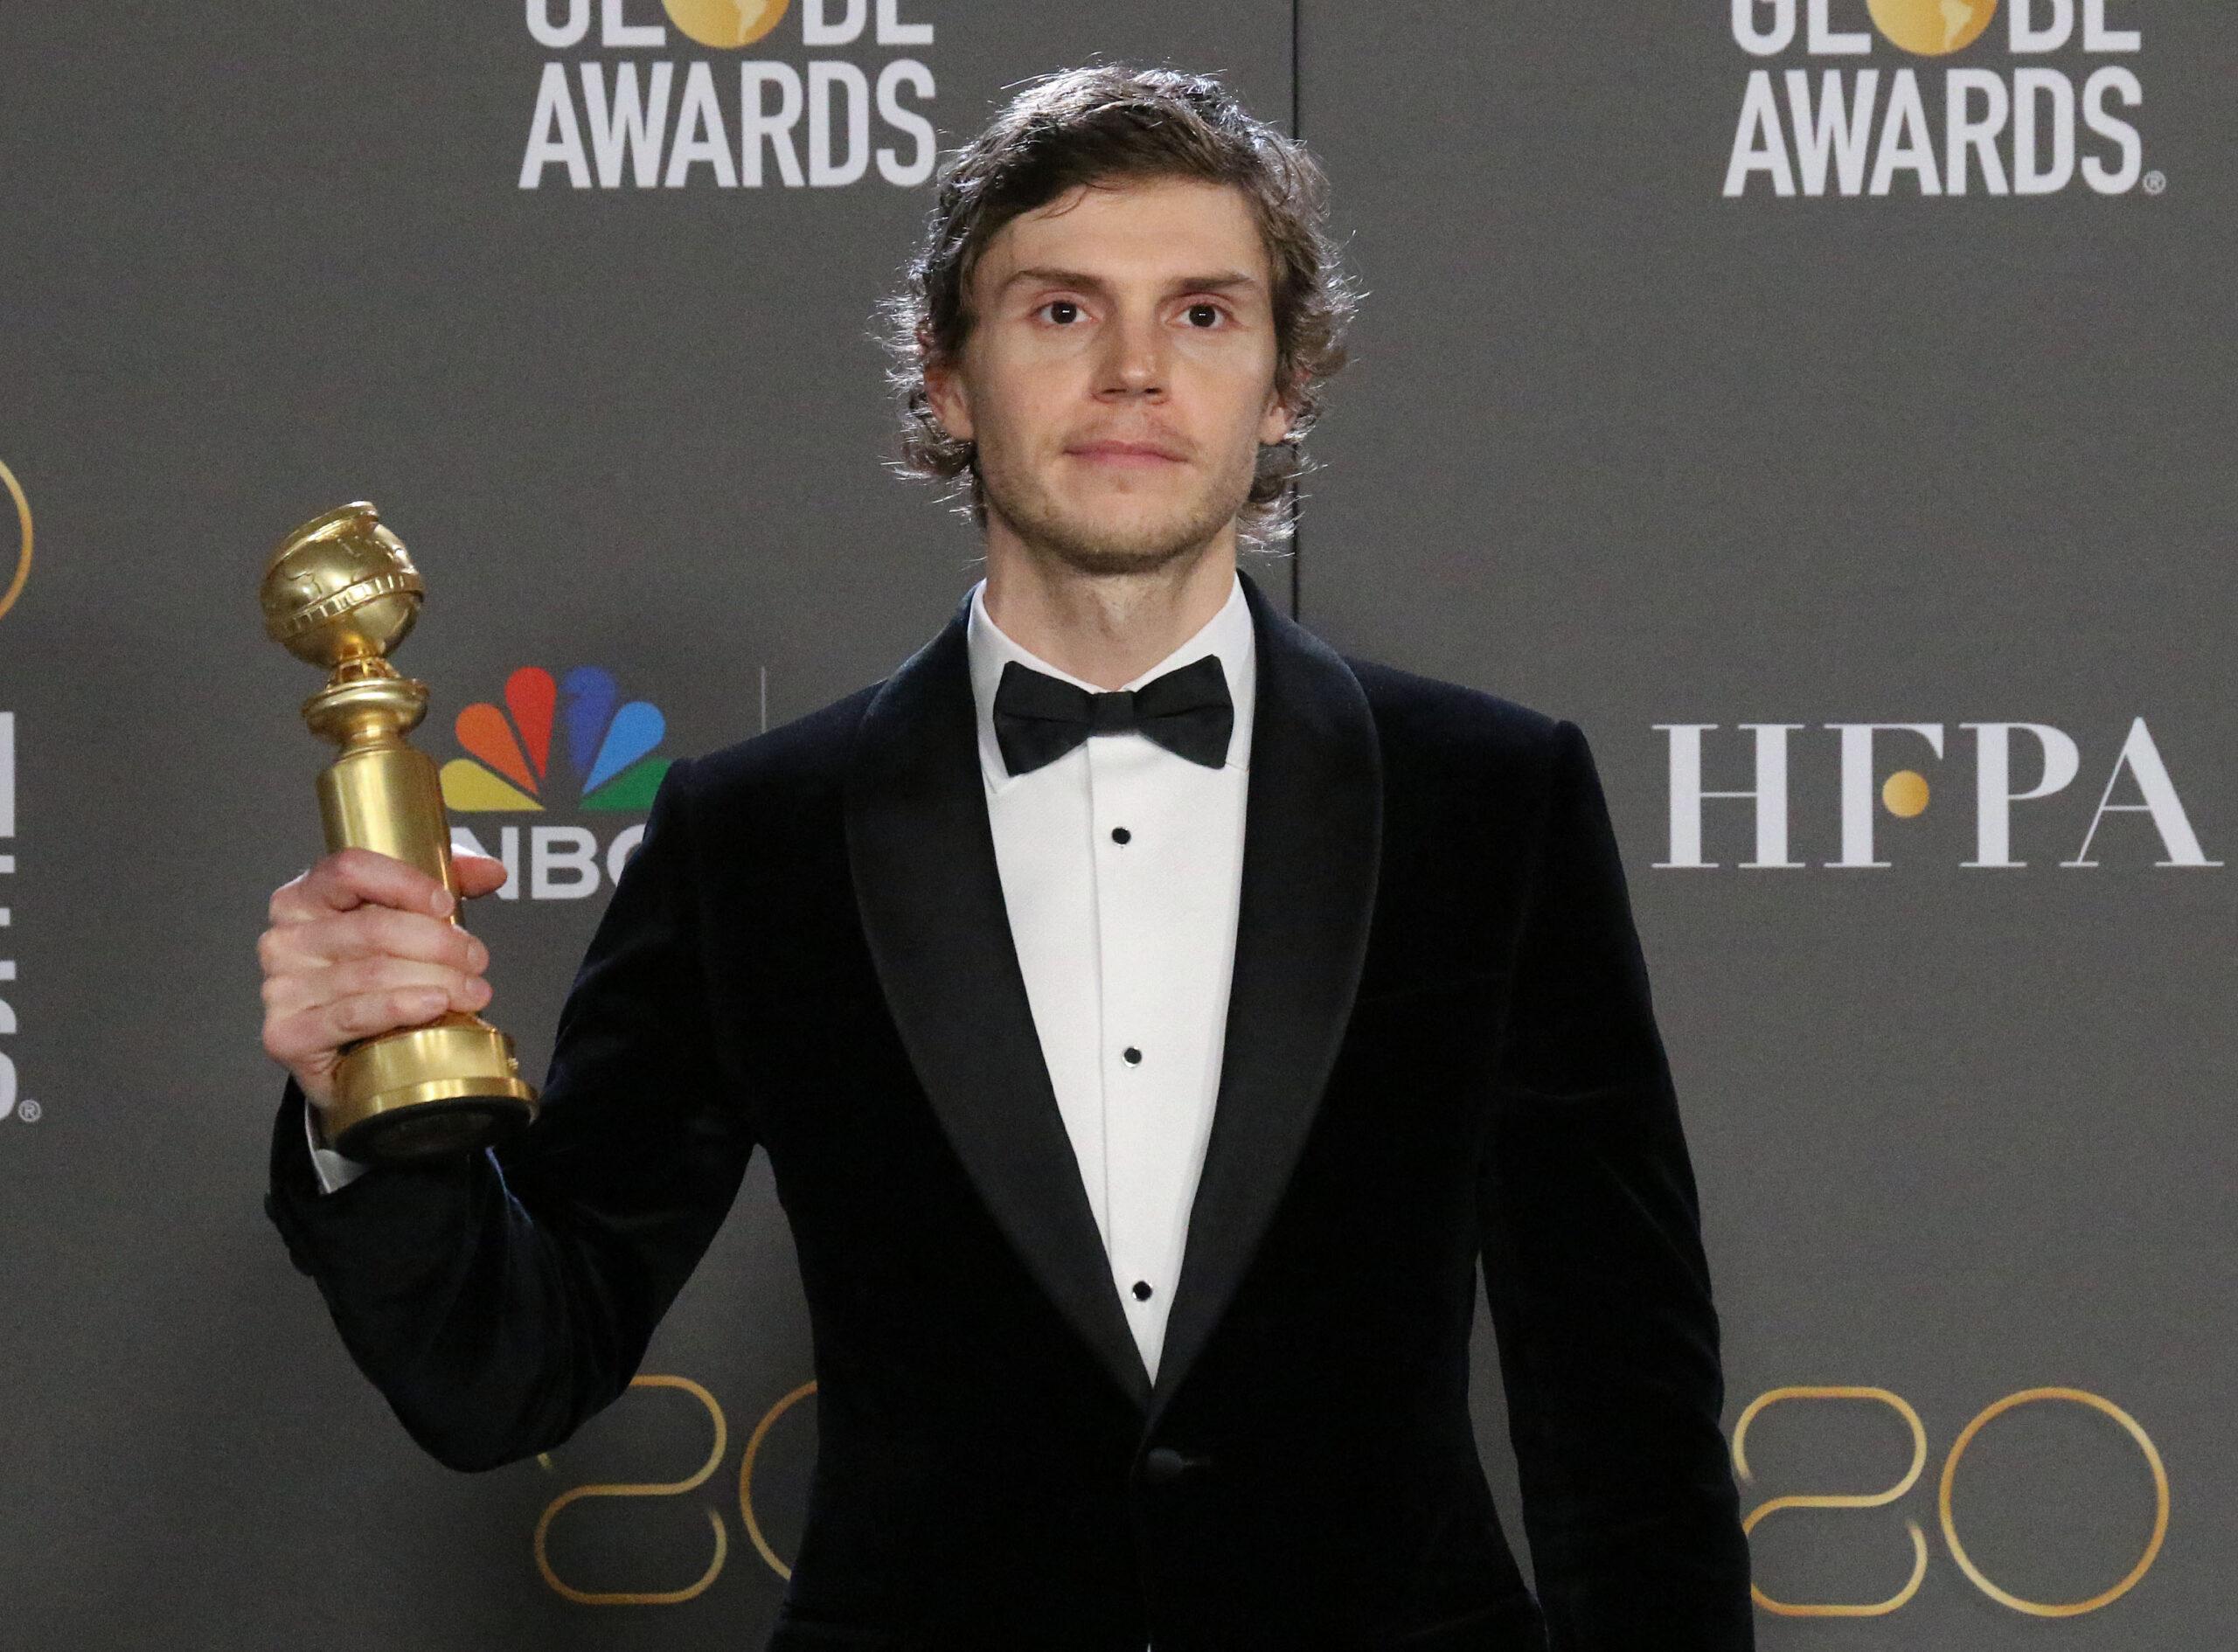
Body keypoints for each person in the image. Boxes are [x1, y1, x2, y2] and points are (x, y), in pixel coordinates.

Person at [257, 64, 1755, 1652]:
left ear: (1286, 381)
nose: (1131, 373)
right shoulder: (756, 834)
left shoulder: (1492, 800)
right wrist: (368, 1090)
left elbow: (1625, 1407)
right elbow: (507, 1369)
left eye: (1201, 314)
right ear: (948, 374)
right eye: (1058, 313)